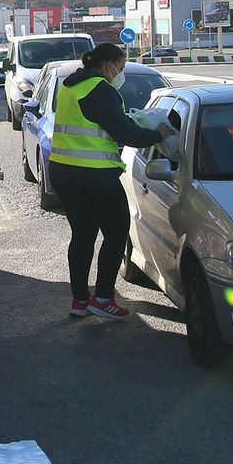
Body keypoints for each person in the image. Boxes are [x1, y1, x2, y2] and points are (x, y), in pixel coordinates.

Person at [48, 43, 172, 320]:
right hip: (95, 175)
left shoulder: (71, 86)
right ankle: (103, 298)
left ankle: (80, 300)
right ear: (108, 66)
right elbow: (125, 133)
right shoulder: (102, 90)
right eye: (121, 67)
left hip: (64, 172)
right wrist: (157, 135)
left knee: (82, 235)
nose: (121, 73)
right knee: (116, 233)